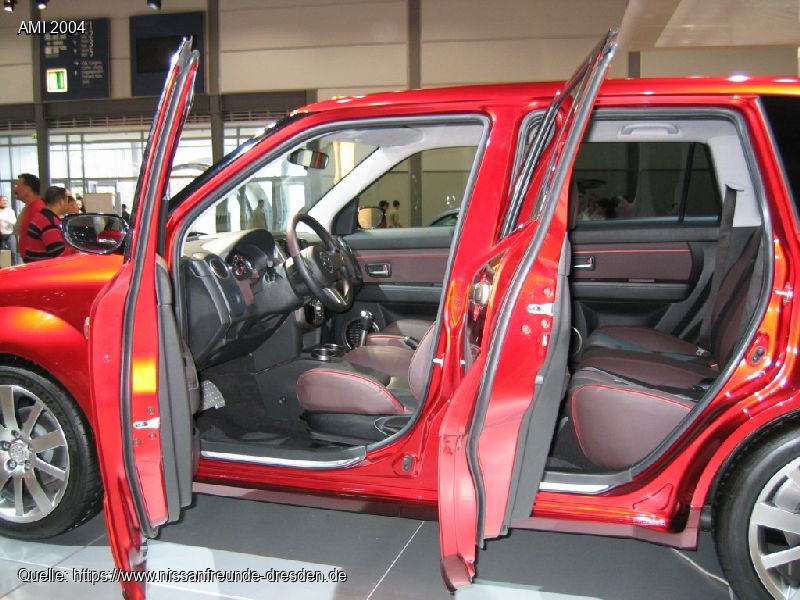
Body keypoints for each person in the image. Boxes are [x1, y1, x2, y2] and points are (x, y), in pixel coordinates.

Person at [24, 186, 74, 263]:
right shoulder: (49, 222)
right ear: (61, 202)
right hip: (43, 267)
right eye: (67, 201)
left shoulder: (41, 216)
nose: (68, 205)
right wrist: (76, 250)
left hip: (36, 265)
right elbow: (58, 252)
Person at [13, 173, 44, 260]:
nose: (15, 189)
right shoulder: (29, 207)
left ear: (28, 188)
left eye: (18, 185)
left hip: (36, 261)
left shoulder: (38, 208)